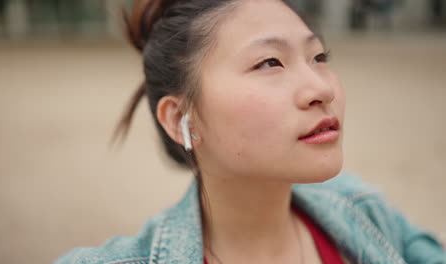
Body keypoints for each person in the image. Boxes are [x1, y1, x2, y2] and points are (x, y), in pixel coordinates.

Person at [56, 0, 446, 263]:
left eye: (319, 57)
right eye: (270, 62)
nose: (322, 89)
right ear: (179, 118)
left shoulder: (363, 209)